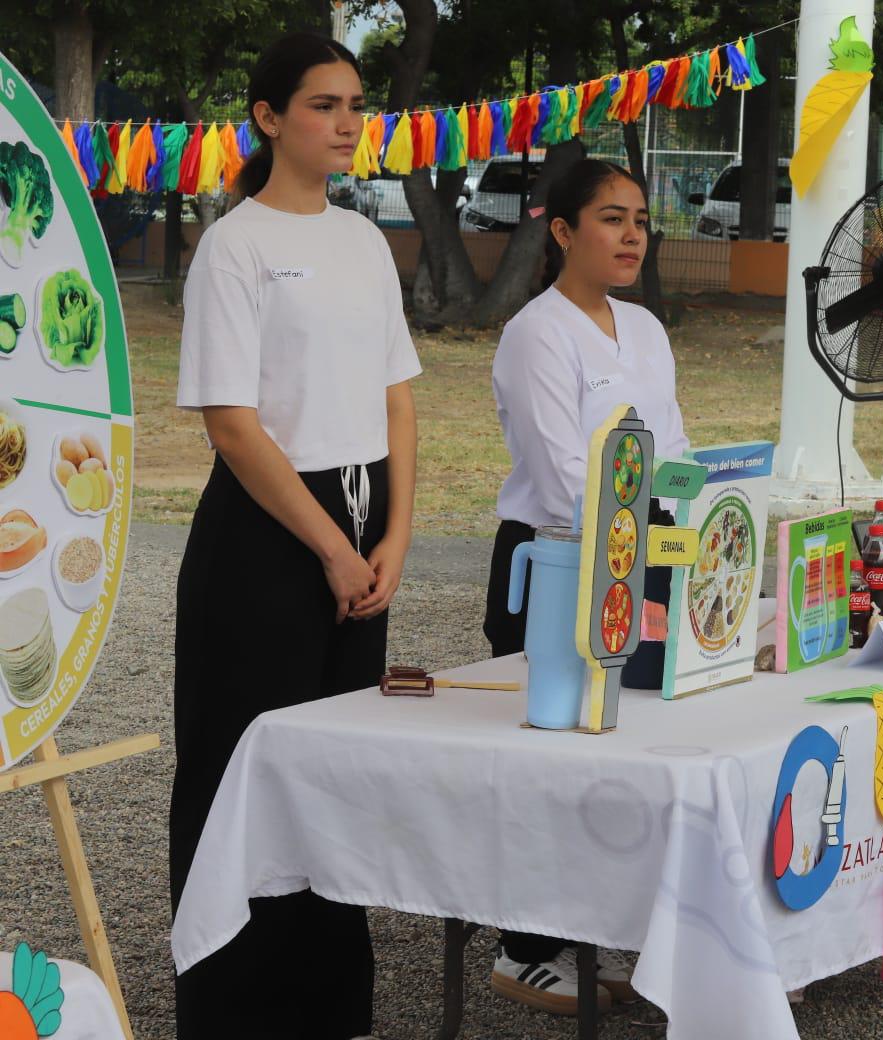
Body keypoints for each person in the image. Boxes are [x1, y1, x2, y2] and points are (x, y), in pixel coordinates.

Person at [170, 33, 419, 1040]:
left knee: (335, 770)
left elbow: (399, 395)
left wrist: (397, 533)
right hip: (270, 531)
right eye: (324, 104)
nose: (349, 121)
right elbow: (232, 421)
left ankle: (325, 1004)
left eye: (356, 103)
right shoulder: (236, 245)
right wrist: (328, 545)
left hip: (366, 521)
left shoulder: (363, 239)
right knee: (244, 765)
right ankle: (231, 1007)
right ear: (270, 117)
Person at [485, 159, 688, 1016]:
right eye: (611, 218)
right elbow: (566, 470)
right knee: (550, 759)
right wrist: (635, 542)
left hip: (643, 554)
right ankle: (520, 950)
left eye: (640, 218)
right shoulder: (537, 331)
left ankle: (597, 931)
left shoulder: (644, 327)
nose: (633, 233)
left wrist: (681, 539)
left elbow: (673, 451)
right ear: (562, 231)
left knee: (624, 752)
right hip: (560, 558)